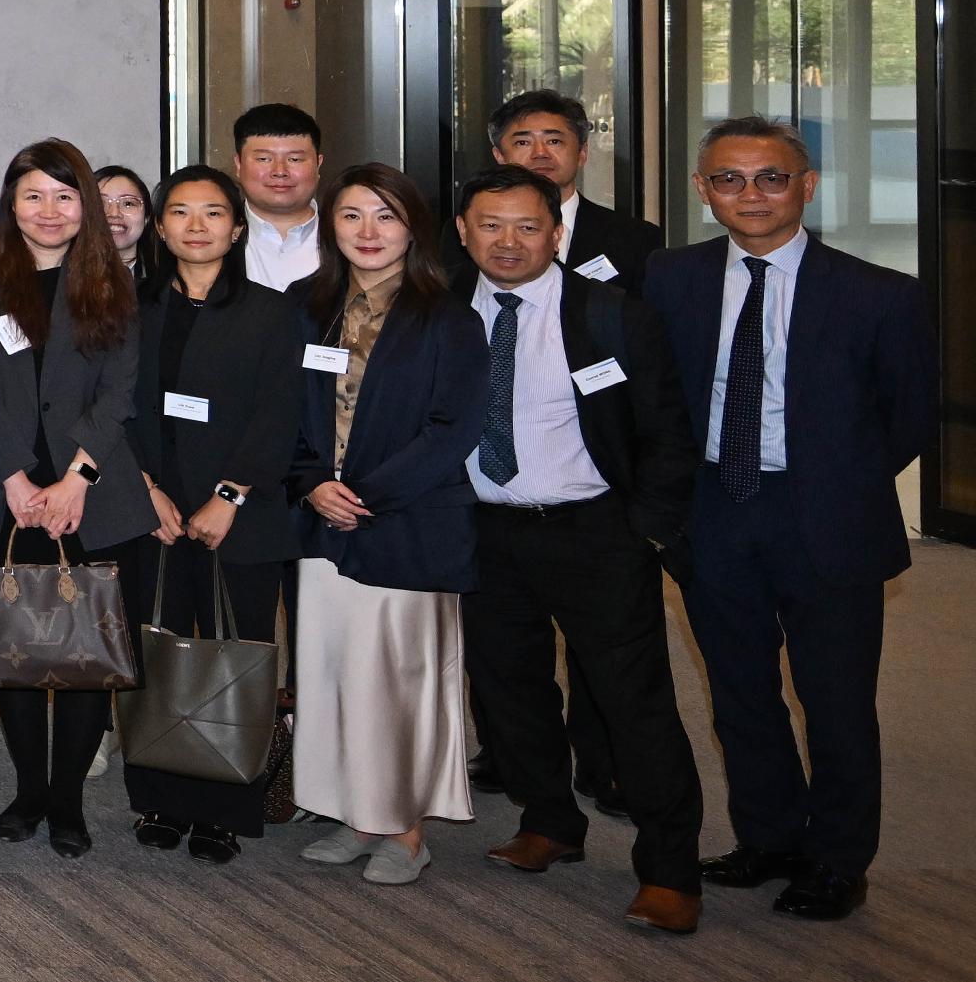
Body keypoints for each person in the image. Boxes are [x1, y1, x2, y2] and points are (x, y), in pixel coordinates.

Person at [646, 116, 928, 922]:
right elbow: (655, 397)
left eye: (771, 177)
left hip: (828, 519)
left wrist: (839, 484)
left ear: (806, 186)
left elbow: (906, 417)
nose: (752, 194)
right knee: (739, 692)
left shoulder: (881, 293)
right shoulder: (670, 277)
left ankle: (838, 860)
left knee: (835, 700)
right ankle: (768, 837)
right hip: (714, 511)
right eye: (729, 178)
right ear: (704, 191)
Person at [450, 164, 707, 934]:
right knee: (508, 690)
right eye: (490, 224)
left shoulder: (611, 314)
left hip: (593, 530)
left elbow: (665, 430)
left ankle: (670, 867)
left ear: (556, 232)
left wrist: (647, 530)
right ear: (463, 232)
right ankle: (549, 820)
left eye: (528, 226)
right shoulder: (440, 315)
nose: (508, 241)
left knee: (633, 701)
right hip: (485, 531)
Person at [0, 139, 145, 858]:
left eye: (65, 196)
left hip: (90, 494)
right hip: (2, 496)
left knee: (86, 651)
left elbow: (122, 391)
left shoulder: (112, 281)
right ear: (12, 204)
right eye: (34, 195)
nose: (50, 210)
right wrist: (15, 477)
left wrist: (74, 477)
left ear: (84, 205)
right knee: (16, 650)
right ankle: (29, 789)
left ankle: (68, 802)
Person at [287, 163, 482, 886]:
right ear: (329, 225)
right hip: (323, 525)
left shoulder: (449, 316)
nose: (368, 232)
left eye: (386, 216)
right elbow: (286, 414)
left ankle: (404, 829)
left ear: (414, 228)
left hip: (406, 526)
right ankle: (354, 810)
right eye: (351, 216)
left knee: (399, 681)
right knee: (336, 674)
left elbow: (450, 428)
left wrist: (360, 492)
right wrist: (312, 485)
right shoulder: (307, 308)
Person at [120, 165, 302, 864]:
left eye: (213, 212)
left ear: (237, 226)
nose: (197, 226)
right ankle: (160, 796)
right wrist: (147, 491)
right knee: (154, 656)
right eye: (181, 213)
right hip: (151, 516)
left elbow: (278, 415)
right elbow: (115, 409)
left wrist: (228, 496)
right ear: (160, 228)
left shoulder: (271, 310)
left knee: (236, 659)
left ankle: (226, 805)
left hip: (240, 518)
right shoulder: (133, 309)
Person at [488, 90, 658, 287]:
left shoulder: (635, 238)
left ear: (582, 153)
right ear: (499, 157)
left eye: (554, 141)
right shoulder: (465, 236)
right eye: (523, 142)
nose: (540, 153)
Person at [231, 105, 326, 290]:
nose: (280, 171)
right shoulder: (215, 237)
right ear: (239, 165)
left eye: (295, 160)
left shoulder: (348, 238)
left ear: (318, 165)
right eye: (264, 159)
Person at [94, 166, 150, 270]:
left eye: (128, 203)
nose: (114, 213)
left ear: (147, 217)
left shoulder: (167, 281)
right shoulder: (63, 279)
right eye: (100, 203)